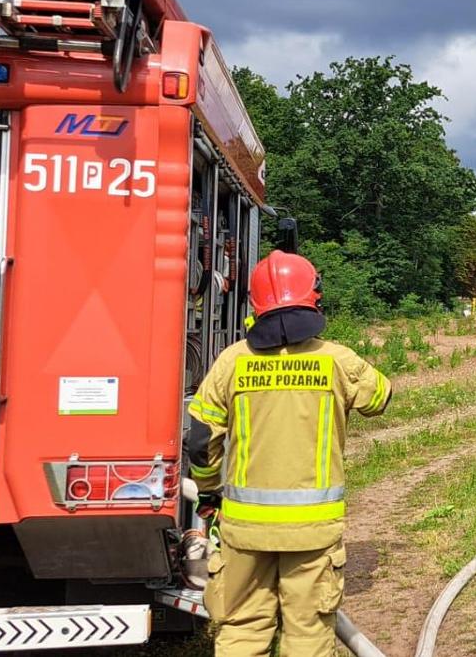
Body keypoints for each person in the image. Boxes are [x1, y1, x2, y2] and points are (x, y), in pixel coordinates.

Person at [185, 250, 391, 657]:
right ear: (313, 297)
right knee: (308, 634)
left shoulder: (232, 362)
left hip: (243, 530)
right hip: (311, 532)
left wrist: (209, 493)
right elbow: (380, 397)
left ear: (255, 305)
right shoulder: (335, 360)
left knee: (242, 629)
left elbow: (200, 438)